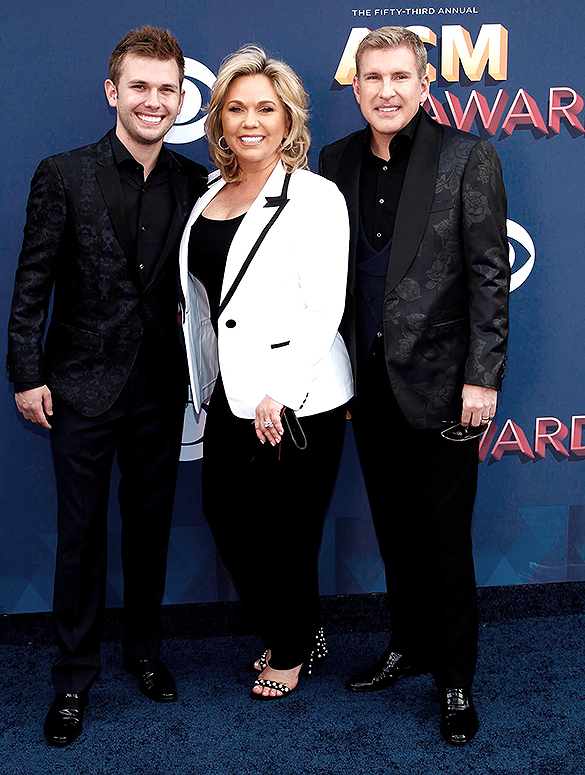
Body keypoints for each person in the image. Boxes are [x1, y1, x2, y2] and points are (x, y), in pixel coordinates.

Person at [6, 25, 207, 745]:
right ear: (112, 91)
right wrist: (26, 372)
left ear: (181, 97)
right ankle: (72, 676)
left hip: (160, 390)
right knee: (81, 537)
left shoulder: (194, 182)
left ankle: (145, 651)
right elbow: (33, 280)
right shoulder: (62, 173)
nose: (153, 101)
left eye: (166, 89)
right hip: (80, 386)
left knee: (150, 532)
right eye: (140, 87)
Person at [319, 26, 509, 744]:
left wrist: (481, 377)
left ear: (425, 85)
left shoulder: (466, 157)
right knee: (395, 530)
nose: (387, 90)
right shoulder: (335, 162)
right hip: (364, 389)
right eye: (374, 78)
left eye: (402, 77)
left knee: (444, 539)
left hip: (443, 388)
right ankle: (408, 643)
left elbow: (491, 274)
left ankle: (455, 675)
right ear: (357, 86)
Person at [179, 45, 353, 700]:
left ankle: (289, 646)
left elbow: (324, 306)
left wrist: (284, 390)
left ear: (288, 120)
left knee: (287, 533)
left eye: (265, 108)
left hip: (299, 397)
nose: (250, 120)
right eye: (236, 107)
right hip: (230, 392)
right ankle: (300, 627)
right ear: (218, 118)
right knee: (224, 511)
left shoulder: (315, 196)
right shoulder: (209, 196)